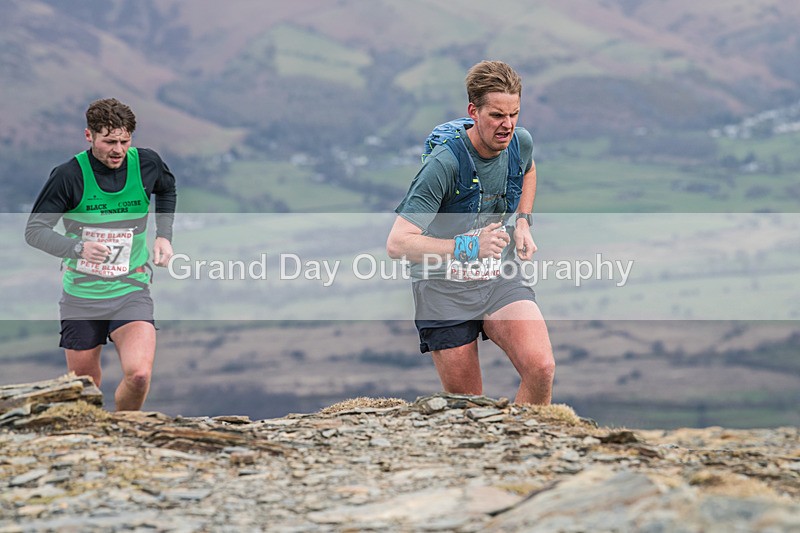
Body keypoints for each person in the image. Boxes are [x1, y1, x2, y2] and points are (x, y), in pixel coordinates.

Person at [386, 60, 555, 405]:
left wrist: (523, 221)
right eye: (496, 115)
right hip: (442, 289)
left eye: (514, 114)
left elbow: (529, 169)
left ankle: (524, 453)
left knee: (542, 368)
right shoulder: (444, 165)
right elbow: (397, 243)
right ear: (473, 112)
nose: (507, 125)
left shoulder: (519, 143)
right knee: (469, 408)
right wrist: (469, 245)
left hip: (497, 276)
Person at [25, 98, 176, 411]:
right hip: (82, 295)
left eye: (124, 141)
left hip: (130, 288)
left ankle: (123, 432)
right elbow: (34, 231)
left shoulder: (146, 163)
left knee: (139, 376)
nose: (118, 150)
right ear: (89, 136)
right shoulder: (69, 175)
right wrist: (77, 248)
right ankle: (94, 443)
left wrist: (163, 236)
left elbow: (167, 187)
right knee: (85, 390)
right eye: (109, 141)